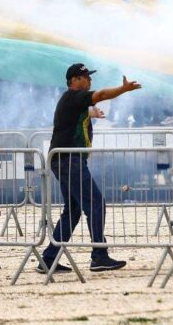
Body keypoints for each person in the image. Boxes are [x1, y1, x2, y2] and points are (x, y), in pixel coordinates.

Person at [38, 63, 141, 274]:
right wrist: (123, 89)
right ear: (74, 80)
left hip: (65, 160)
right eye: (85, 77)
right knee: (95, 204)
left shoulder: (73, 102)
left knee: (74, 210)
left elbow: (76, 116)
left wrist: (90, 115)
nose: (89, 80)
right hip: (69, 160)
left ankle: (49, 259)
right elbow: (101, 94)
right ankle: (99, 256)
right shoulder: (73, 96)